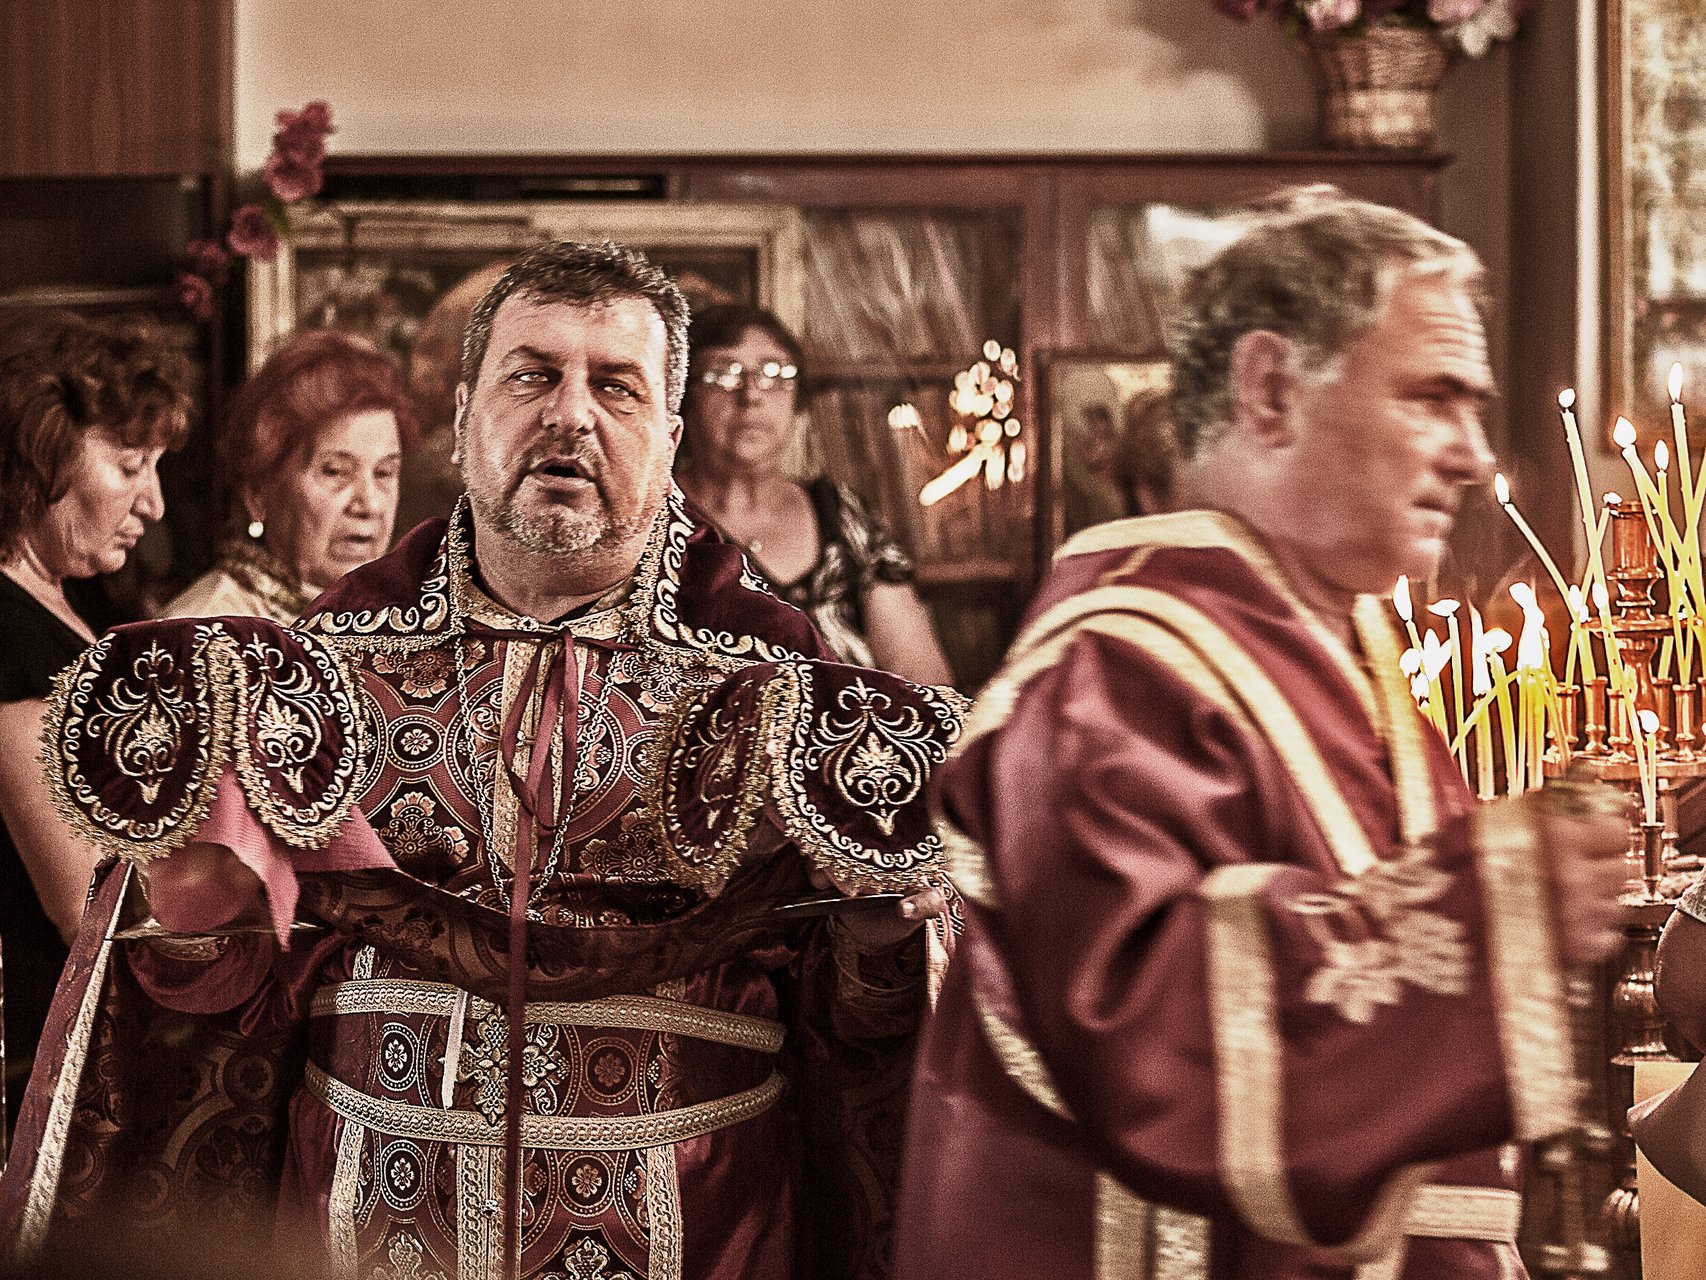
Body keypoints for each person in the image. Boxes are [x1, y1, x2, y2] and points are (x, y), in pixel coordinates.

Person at [0, 242, 959, 1280]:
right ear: (463, 418)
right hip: (365, 1230)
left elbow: (862, 1041)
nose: (571, 414)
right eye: (532, 375)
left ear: (670, 435)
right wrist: (192, 913)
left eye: (617, 386)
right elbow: (213, 1017)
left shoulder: (775, 679)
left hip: (697, 1233)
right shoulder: (324, 669)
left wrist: (876, 941)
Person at [893, 191, 1629, 1280]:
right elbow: (1152, 1034)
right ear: (1271, 389)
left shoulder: (1336, 652)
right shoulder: (1113, 667)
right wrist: (1496, 904)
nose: (1474, 455)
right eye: (1431, 397)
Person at [0, 309, 192, 1132]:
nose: (153, 501)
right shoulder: (8, 633)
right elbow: (88, 905)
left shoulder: (75, 604)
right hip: (41, 1061)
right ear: (43, 450)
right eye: (129, 464)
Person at [673, 303, 953, 685]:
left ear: (798, 401)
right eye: (724, 373)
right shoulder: (657, 518)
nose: (752, 394)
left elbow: (926, 683)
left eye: (775, 373)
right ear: (684, 396)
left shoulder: (840, 515)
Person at [162, 328, 418, 622]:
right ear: (257, 494)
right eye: (335, 471)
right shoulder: (203, 629)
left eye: (384, 473)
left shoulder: (400, 618)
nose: (369, 505)